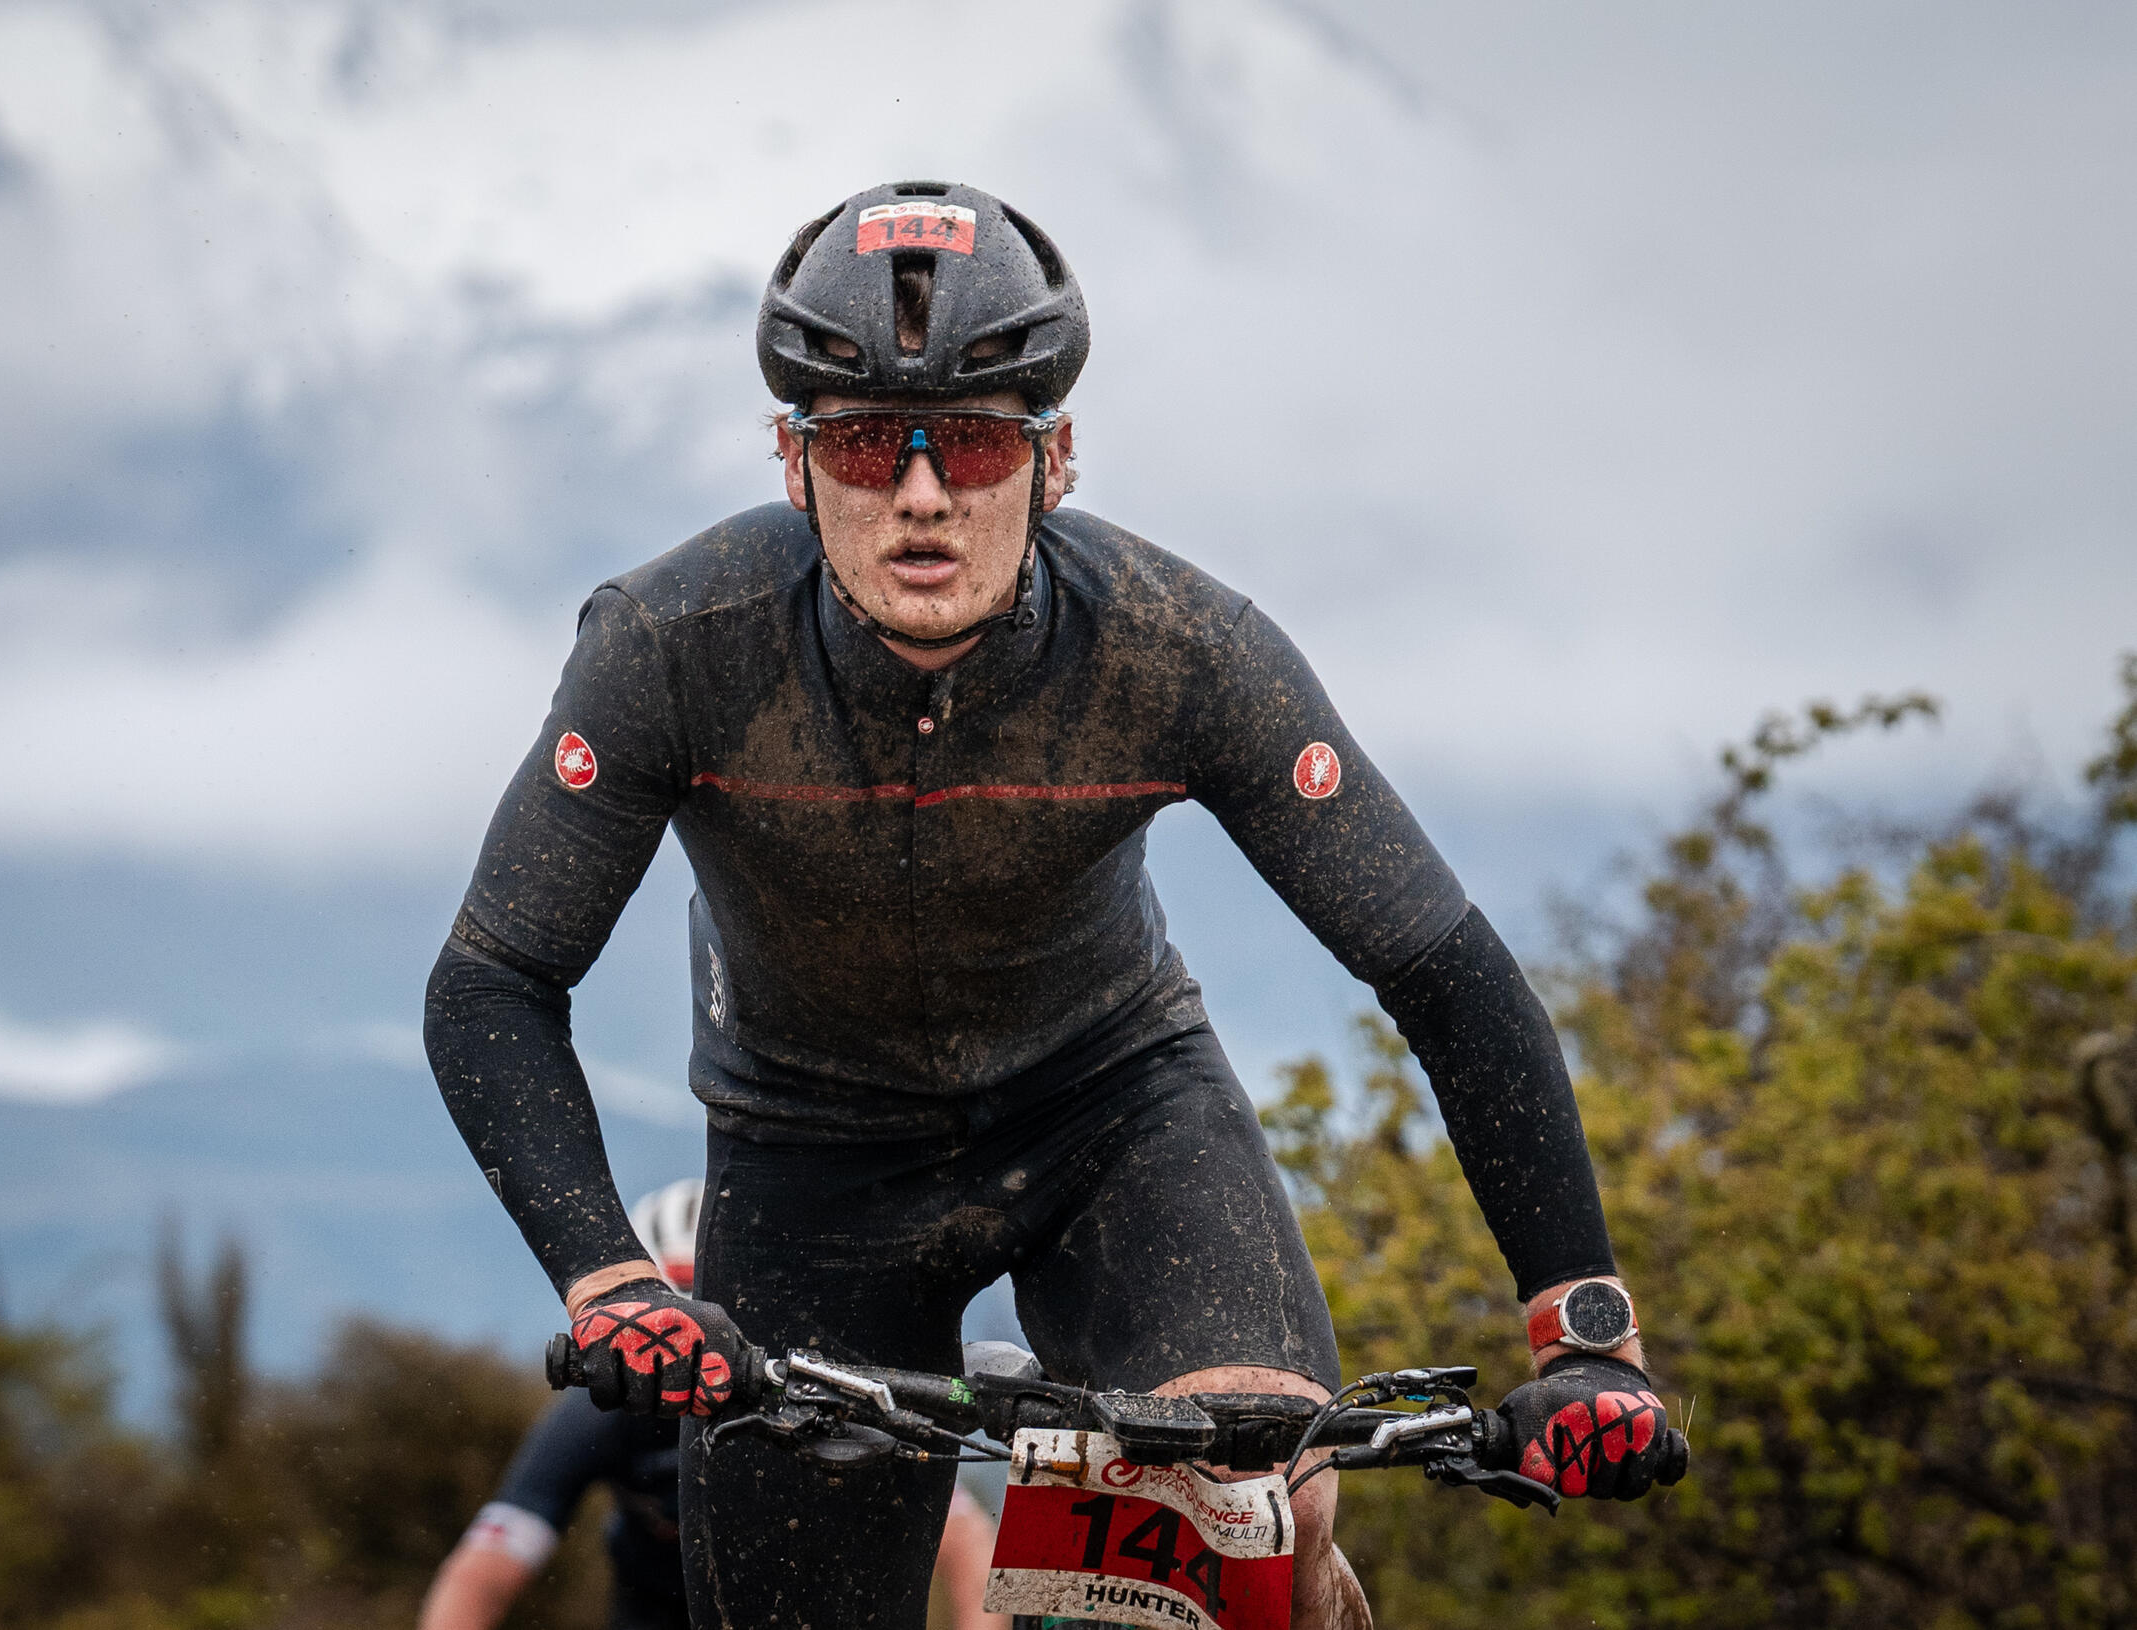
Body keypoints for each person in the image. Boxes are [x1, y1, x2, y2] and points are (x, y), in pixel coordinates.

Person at [425, 180, 1678, 1630]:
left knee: (1245, 1513)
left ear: (1054, 457)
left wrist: (1589, 1334)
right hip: (805, 1161)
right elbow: (494, 981)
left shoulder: (1180, 645)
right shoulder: (668, 645)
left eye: (967, 440)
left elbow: (1443, 971)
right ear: (792, 461)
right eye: (856, 444)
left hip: (1115, 1119)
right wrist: (610, 1283)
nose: (917, 494)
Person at [418, 1181, 1009, 1630]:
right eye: (664, 1341)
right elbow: (484, 1572)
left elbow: (967, 1546)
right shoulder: (597, 1417)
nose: (687, 1362)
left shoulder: (819, 1395)